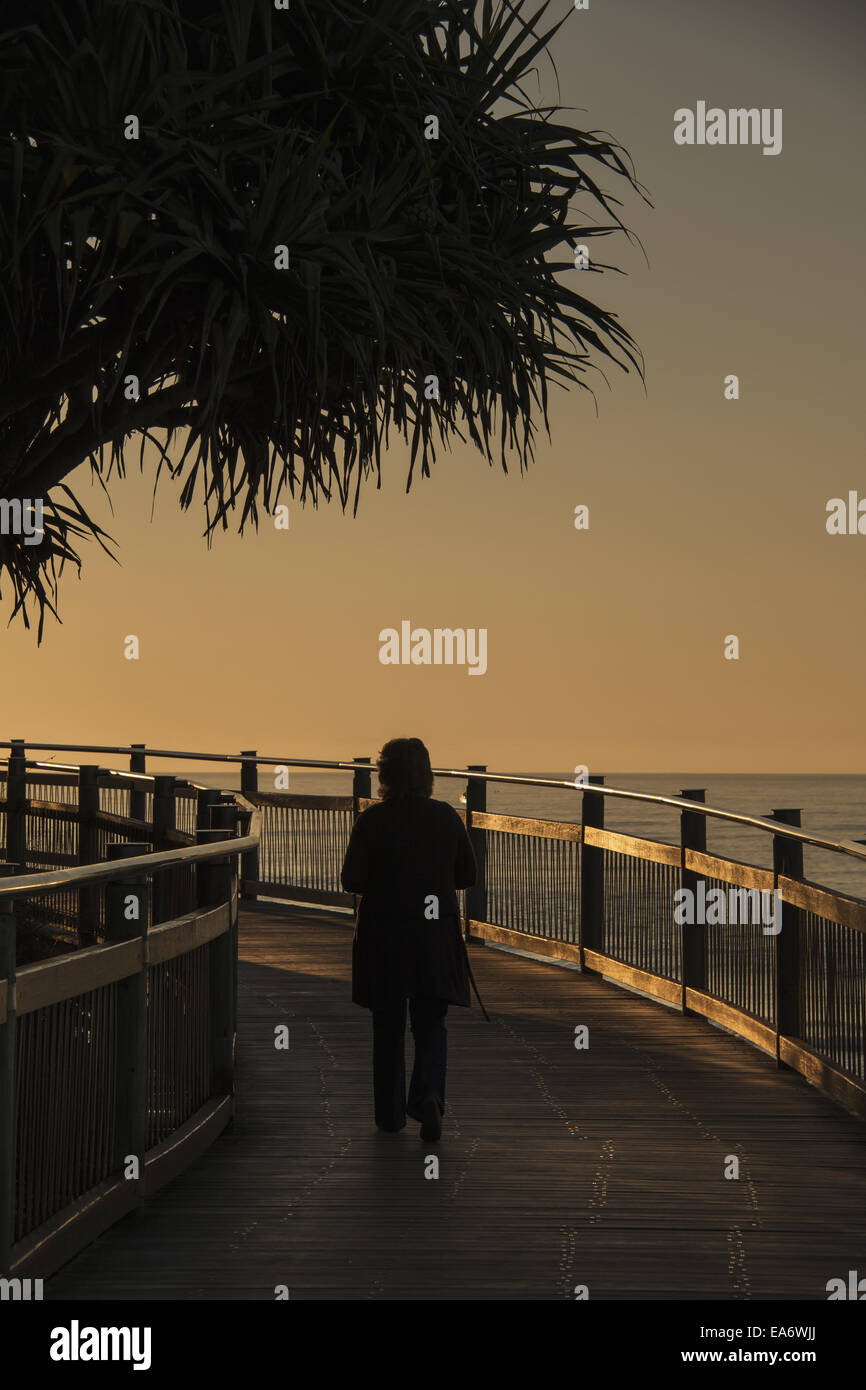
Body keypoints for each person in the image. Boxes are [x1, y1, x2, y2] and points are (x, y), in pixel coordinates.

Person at [341, 737, 477, 1141]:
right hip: (433, 936)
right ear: (427, 775)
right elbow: (467, 876)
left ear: (384, 776)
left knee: (387, 1026)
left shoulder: (372, 821)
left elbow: (352, 880)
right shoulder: (446, 817)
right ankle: (429, 1096)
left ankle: (389, 1116)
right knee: (430, 1024)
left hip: (384, 935)